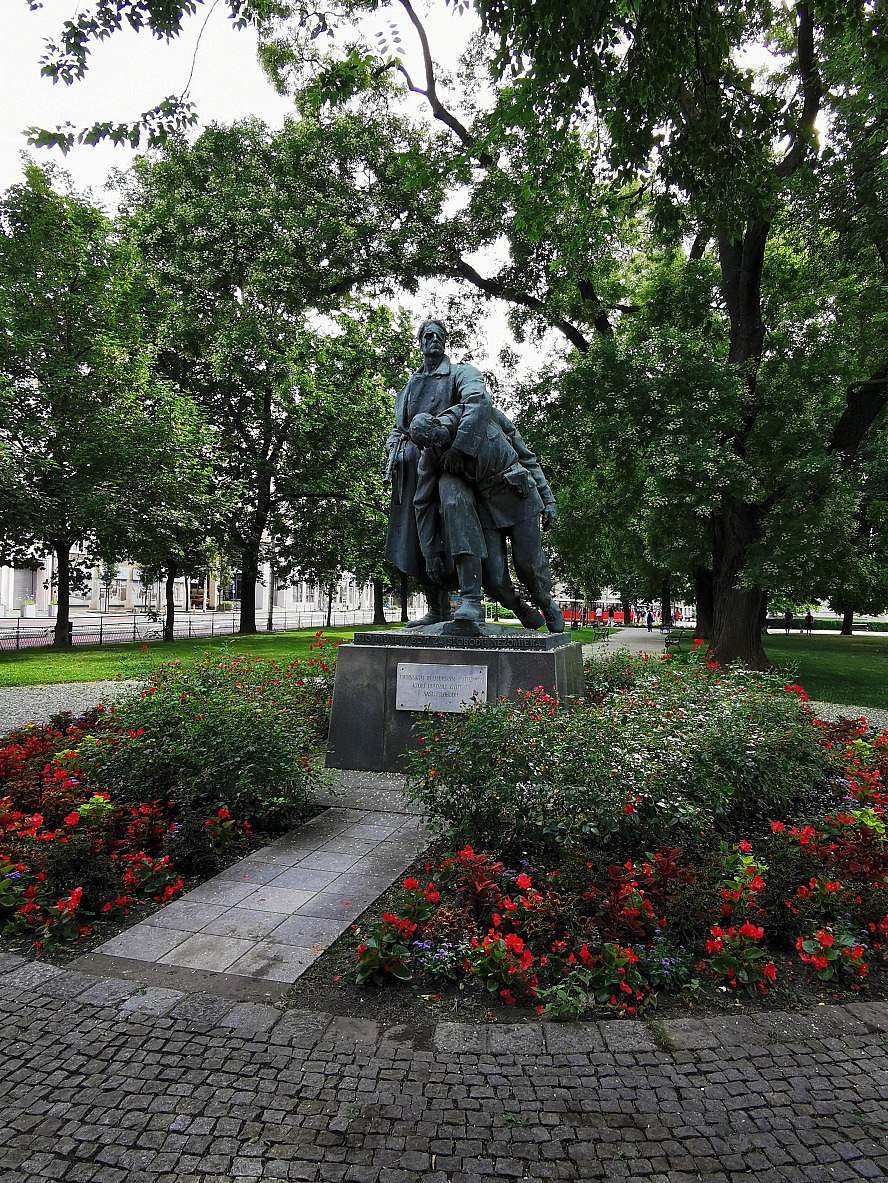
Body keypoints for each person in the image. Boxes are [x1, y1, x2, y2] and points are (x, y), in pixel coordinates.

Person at [409, 408, 565, 632]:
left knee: (528, 566)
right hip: (488, 510)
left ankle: (547, 604)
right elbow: (421, 503)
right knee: (493, 578)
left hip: (520, 497)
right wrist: (430, 550)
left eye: (436, 439)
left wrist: (548, 499)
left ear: (438, 423)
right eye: (429, 445)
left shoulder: (484, 415)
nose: (436, 446)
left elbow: (526, 456)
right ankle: (521, 609)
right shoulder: (432, 454)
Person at [384, 319, 491, 627]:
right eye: (427, 335)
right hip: (412, 467)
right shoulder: (409, 387)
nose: (433, 339)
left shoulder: (461, 373)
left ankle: (471, 598)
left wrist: (461, 449)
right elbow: (398, 429)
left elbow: (477, 402)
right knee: (416, 537)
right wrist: (393, 452)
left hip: (448, 459)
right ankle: (437, 607)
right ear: (420, 343)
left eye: (439, 335)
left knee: (456, 504)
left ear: (446, 341)